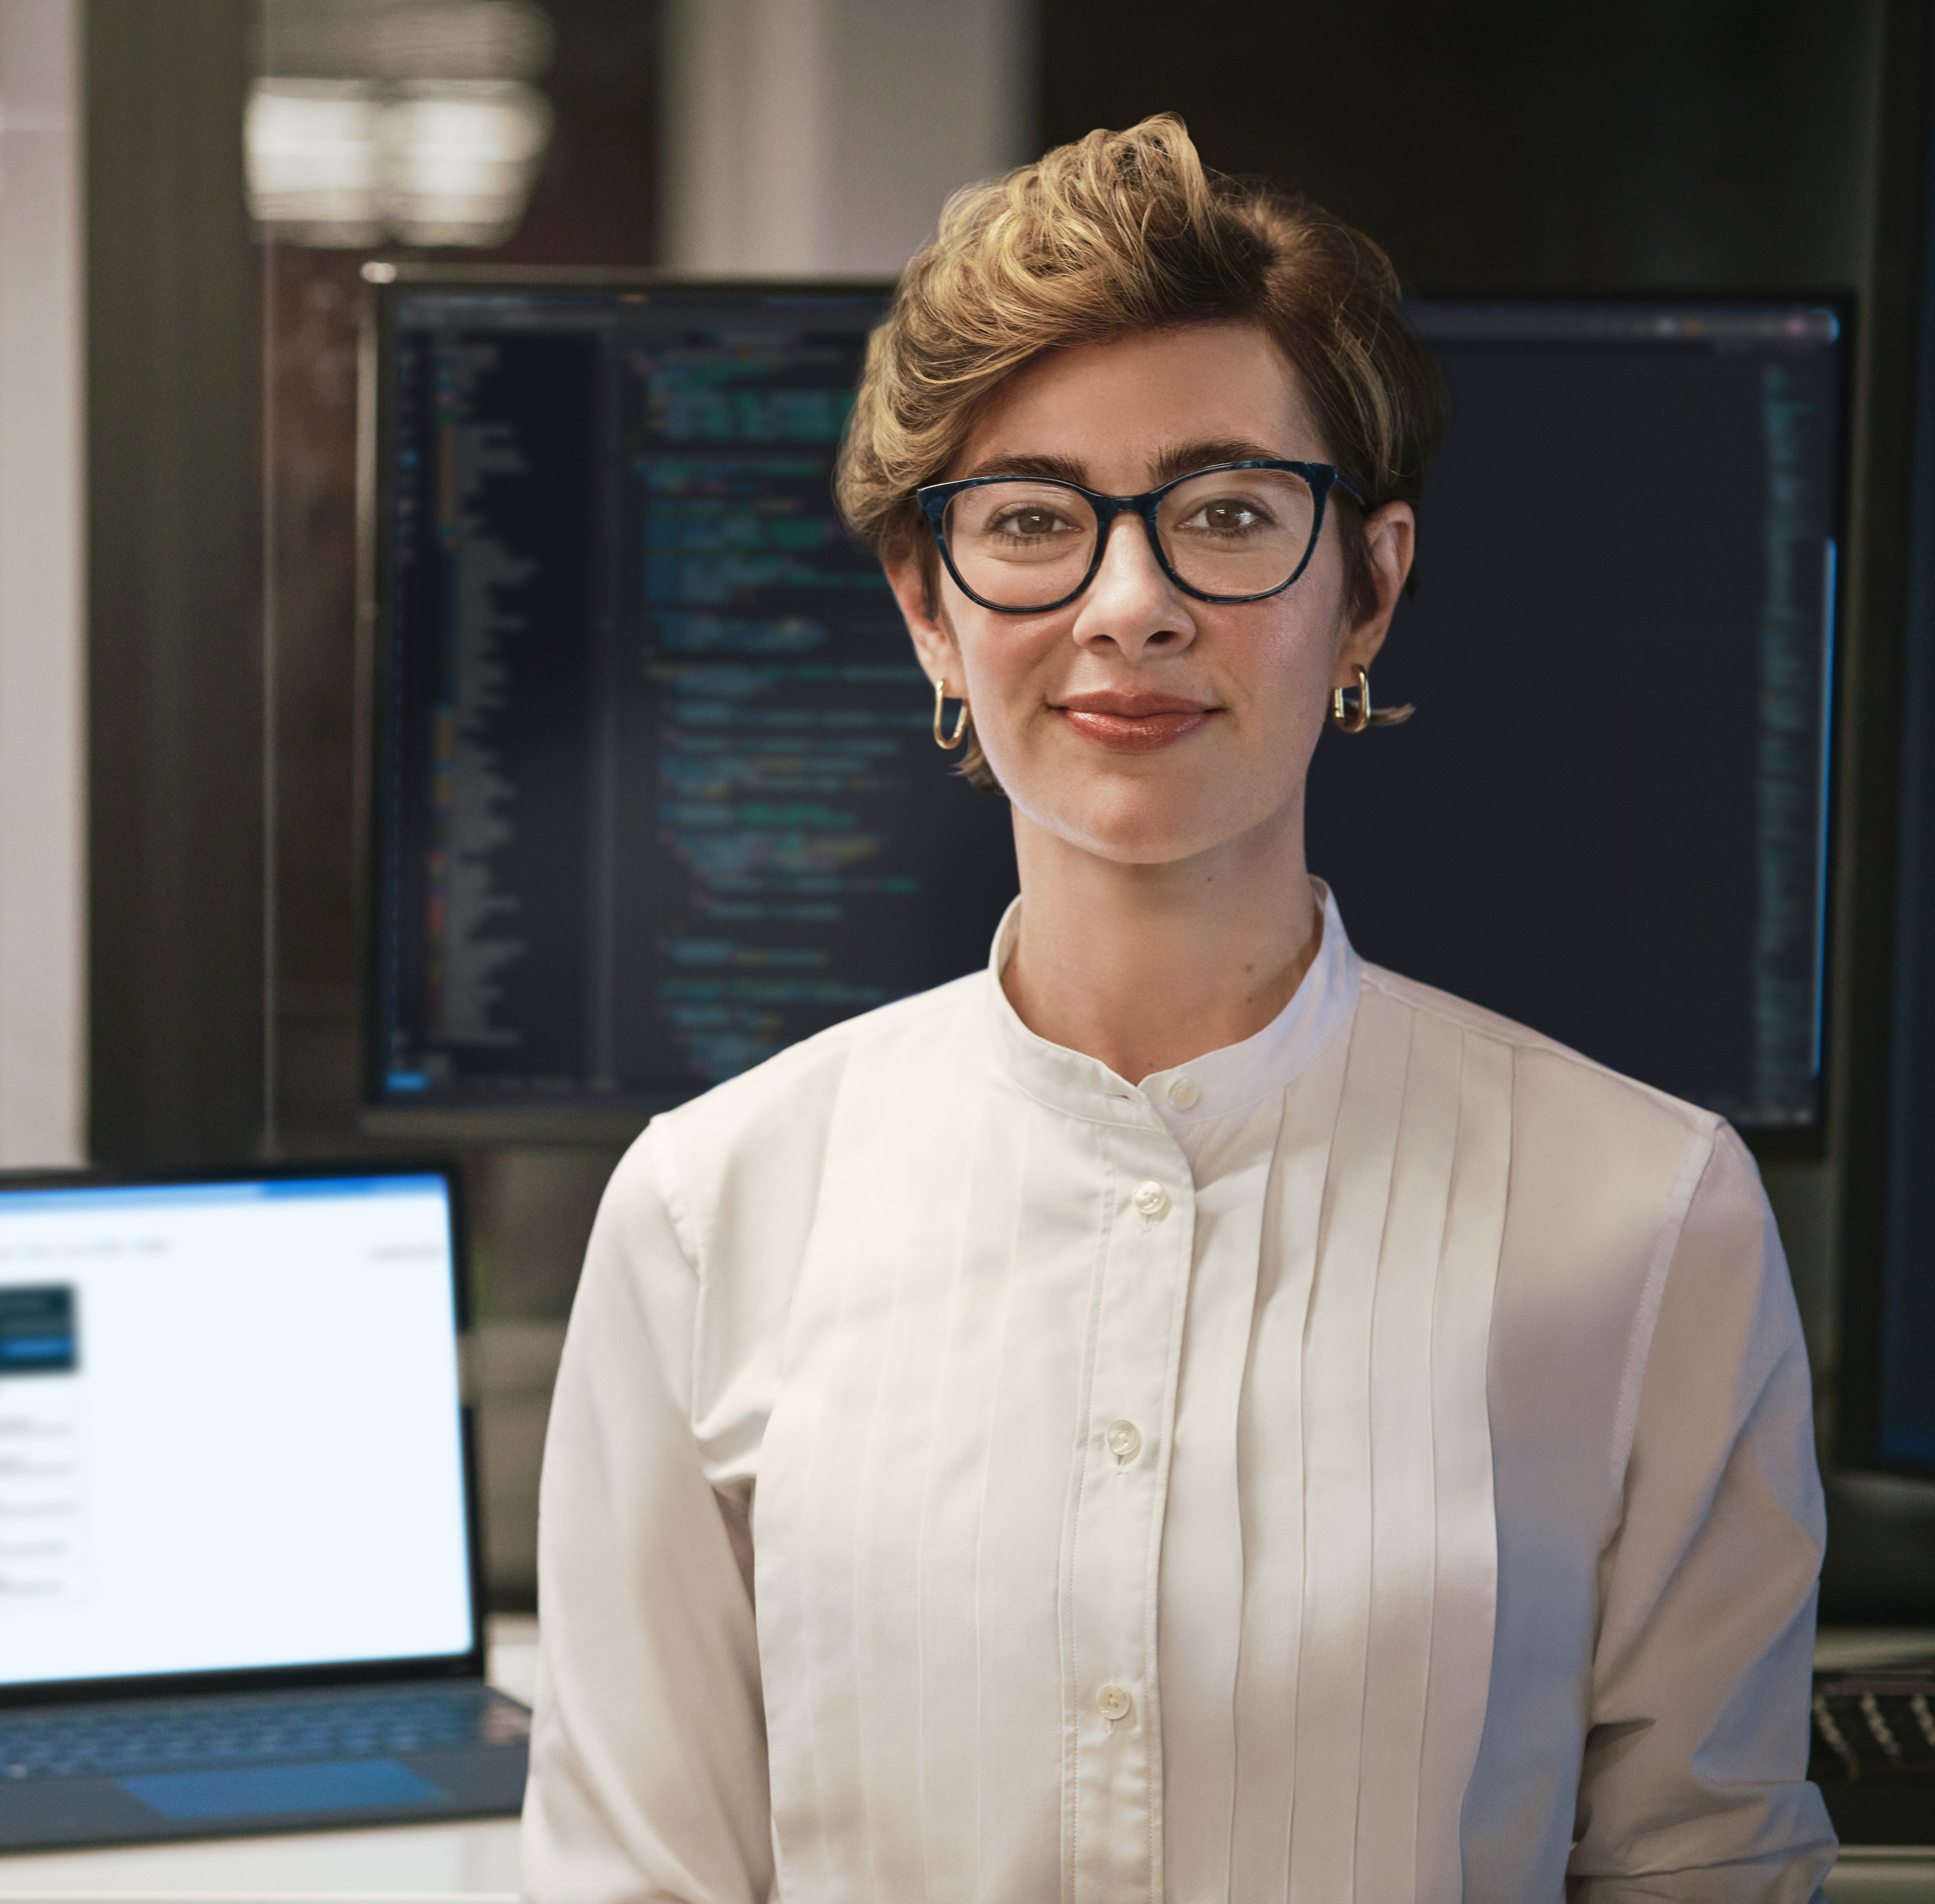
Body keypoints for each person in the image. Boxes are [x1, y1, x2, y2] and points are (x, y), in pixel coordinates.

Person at [521, 115, 1832, 1902]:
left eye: (1226, 515)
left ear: (1370, 588)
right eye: (1032, 522)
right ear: (928, 609)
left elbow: (1709, 1871)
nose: (1128, 607)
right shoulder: (706, 1217)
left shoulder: (1654, 1221)